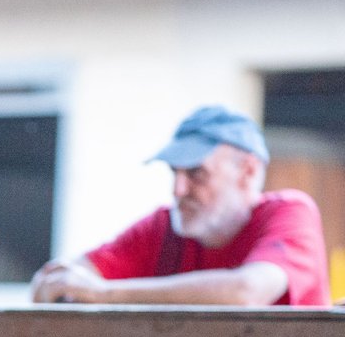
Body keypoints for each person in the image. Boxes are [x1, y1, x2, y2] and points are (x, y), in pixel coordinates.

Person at [31, 105, 330, 307]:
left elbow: (247, 291)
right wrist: (57, 286)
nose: (178, 189)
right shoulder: (164, 225)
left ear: (248, 171)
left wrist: (105, 293)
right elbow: (61, 278)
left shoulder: (289, 211)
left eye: (196, 173)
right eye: (174, 172)